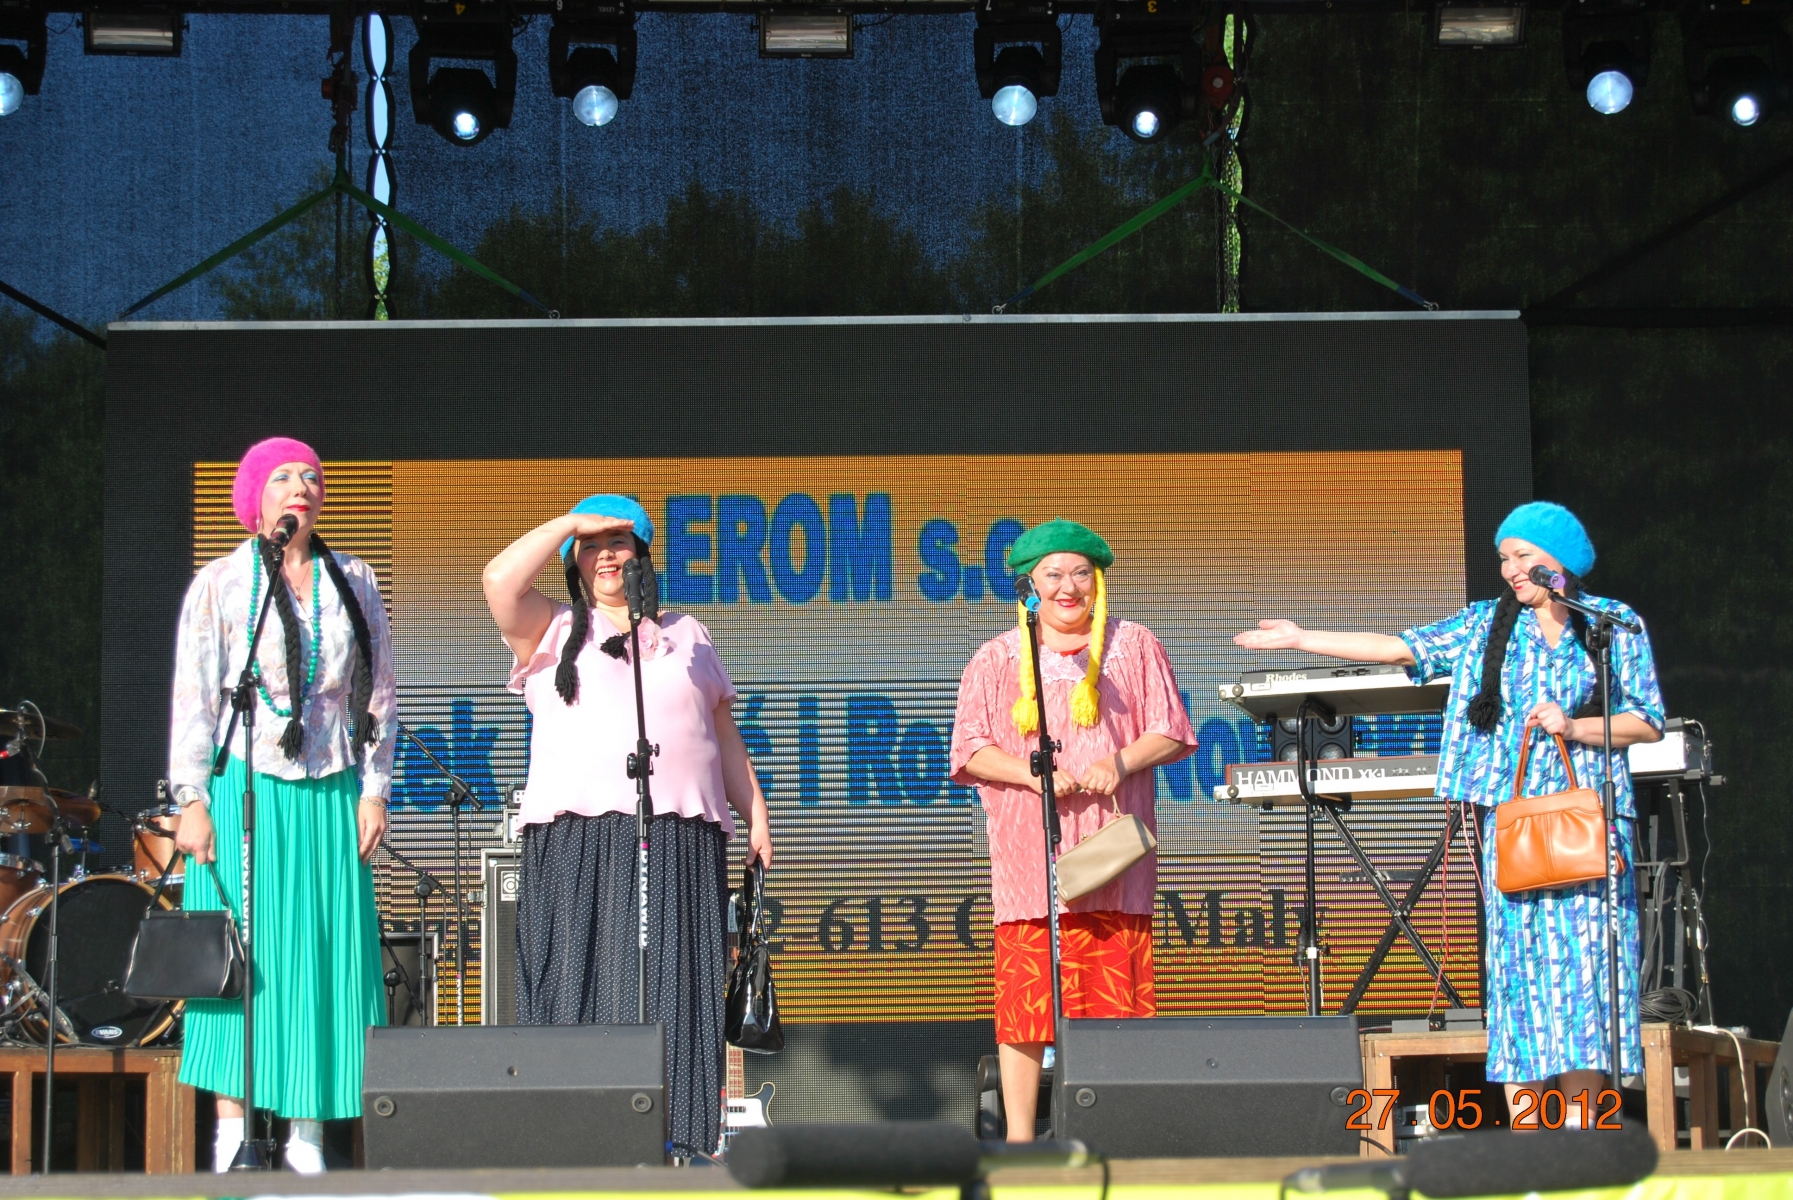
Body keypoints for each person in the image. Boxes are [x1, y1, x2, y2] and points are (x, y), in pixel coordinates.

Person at [1235, 501, 1662, 1125]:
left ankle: (1584, 1127)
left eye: (1522, 556)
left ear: (1560, 561)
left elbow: (1645, 721)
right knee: (1521, 981)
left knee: (1589, 980)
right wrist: (1302, 638)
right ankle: (1532, 1137)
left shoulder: (1613, 624)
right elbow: (1399, 648)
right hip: (1517, 826)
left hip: (1589, 826)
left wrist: (1575, 727)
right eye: (1504, 558)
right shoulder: (1487, 624)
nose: (1510, 569)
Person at [483, 494, 773, 1159]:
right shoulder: (552, 625)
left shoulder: (687, 633)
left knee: (677, 985)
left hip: (681, 836)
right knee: (579, 978)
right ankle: (577, 1142)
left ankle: (678, 1140)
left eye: (619, 542)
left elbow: (720, 733)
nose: (606, 555)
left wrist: (754, 811)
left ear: (643, 555)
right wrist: (569, 523)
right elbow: (498, 580)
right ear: (573, 563)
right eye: (592, 547)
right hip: (578, 837)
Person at [169, 437, 394, 1174]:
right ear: (255, 498)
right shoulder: (222, 582)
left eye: (311, 476)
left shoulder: (353, 578)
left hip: (330, 789)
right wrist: (191, 798)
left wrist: (374, 789)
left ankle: (307, 1140)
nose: (302, 485)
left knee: (321, 957)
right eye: (284, 476)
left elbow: (379, 692)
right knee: (241, 962)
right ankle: (232, 1140)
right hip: (244, 788)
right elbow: (196, 698)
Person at [949, 519, 1196, 1141]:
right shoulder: (997, 657)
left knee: (1117, 998)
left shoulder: (1134, 644)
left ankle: (1116, 1133)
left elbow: (1171, 730)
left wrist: (1120, 762)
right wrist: (1032, 775)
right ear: (1028, 586)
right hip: (1031, 860)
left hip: (1111, 856)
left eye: (1082, 573)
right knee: (1025, 1006)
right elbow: (970, 749)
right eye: (1054, 574)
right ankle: (1019, 1141)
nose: (1069, 587)